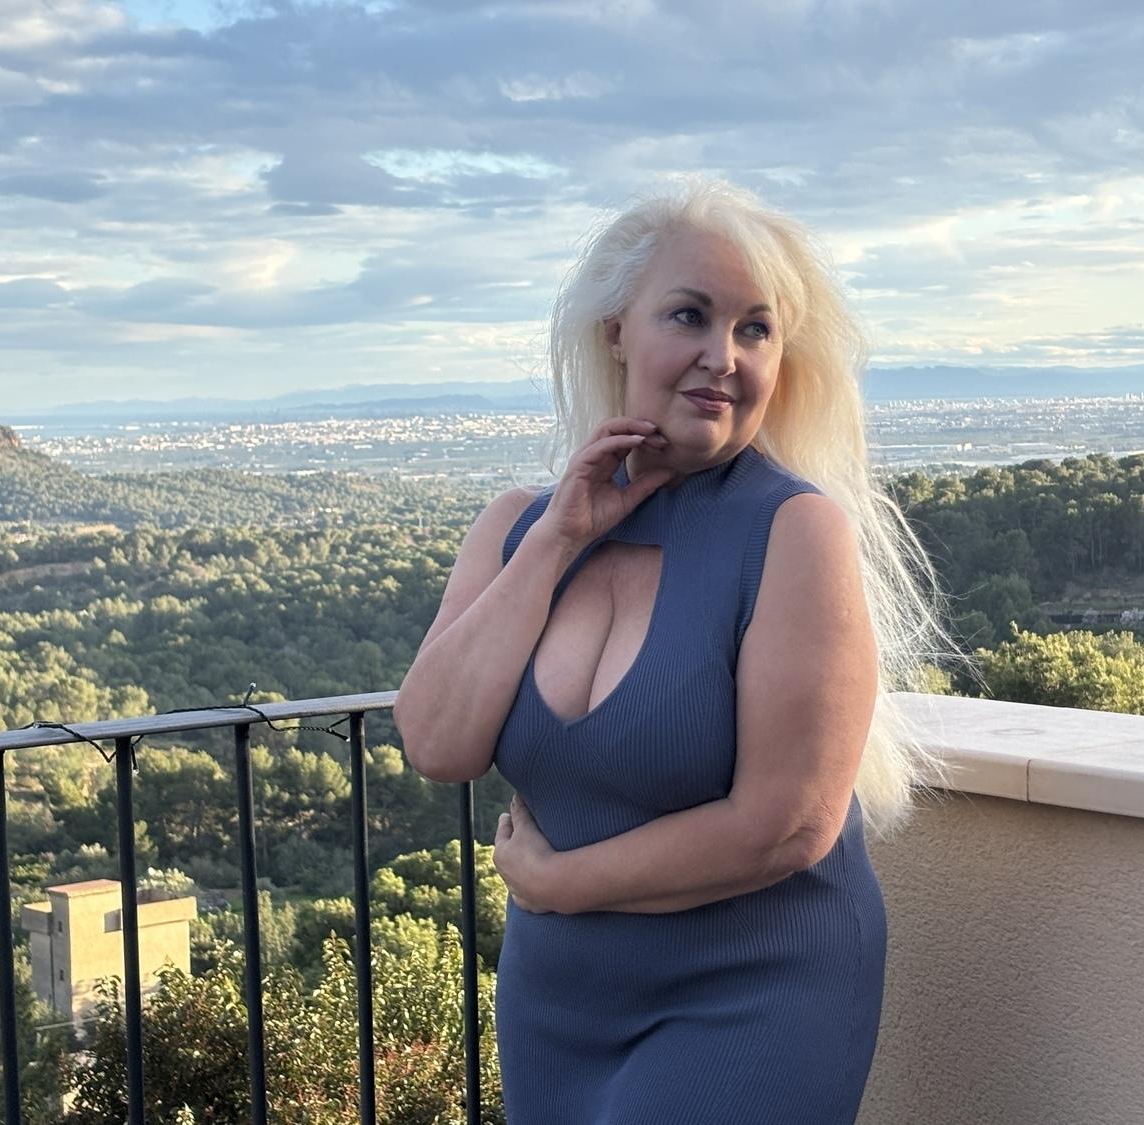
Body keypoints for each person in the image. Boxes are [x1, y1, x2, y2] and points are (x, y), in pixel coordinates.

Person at [393, 176, 959, 1124]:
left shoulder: (794, 530)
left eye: (755, 330)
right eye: (690, 315)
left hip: (752, 992)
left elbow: (786, 823)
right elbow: (436, 741)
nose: (722, 356)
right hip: (555, 1001)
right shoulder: (518, 528)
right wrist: (556, 541)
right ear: (617, 329)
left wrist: (561, 882)